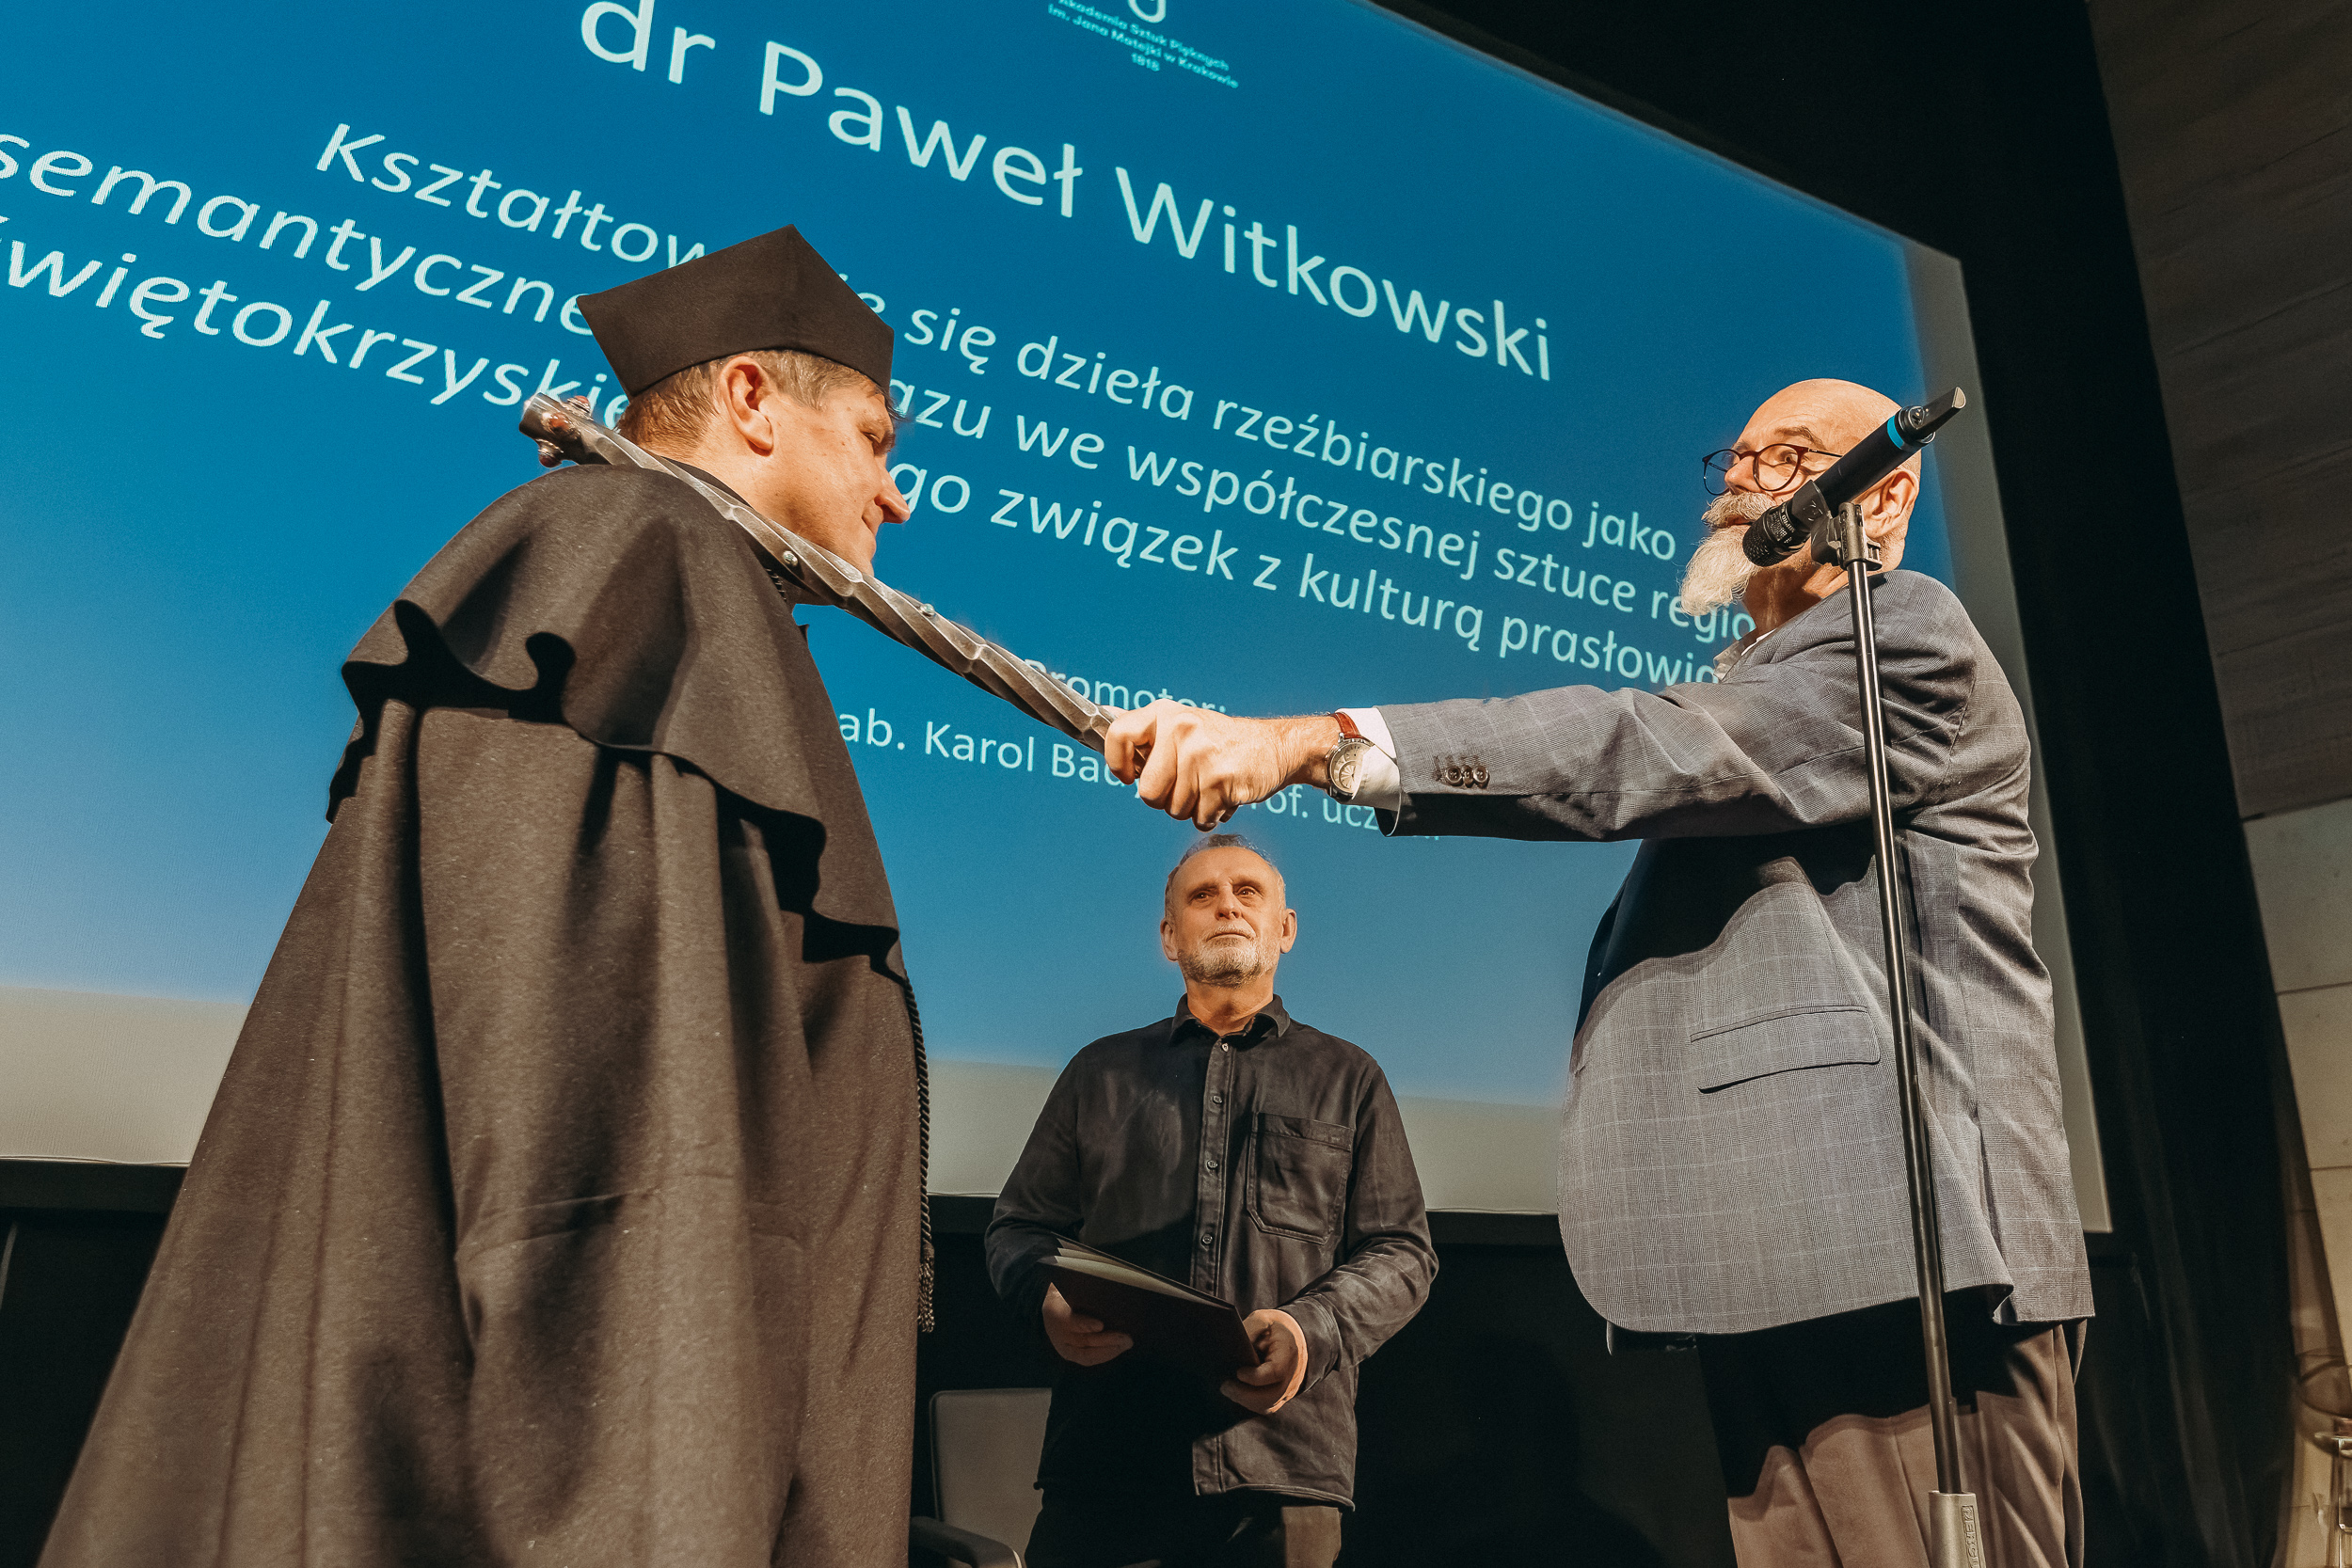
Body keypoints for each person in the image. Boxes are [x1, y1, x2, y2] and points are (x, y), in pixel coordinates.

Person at [41, 227, 931, 1568]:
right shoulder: (638, 572)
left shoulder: (661, 581)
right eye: (874, 439)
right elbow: (604, 1193)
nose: (894, 496)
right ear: (752, 399)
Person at [1099, 381, 2095, 1566]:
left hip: (1921, 1256)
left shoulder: (1905, 635)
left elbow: (1650, 742)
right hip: (1807, 1254)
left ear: (1880, 497)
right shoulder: (1773, 674)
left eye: (1789, 458)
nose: (1743, 481)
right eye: (1738, 456)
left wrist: (1316, 742)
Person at [987, 835, 1438, 1568]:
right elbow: (1018, 1226)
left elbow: (1404, 1252)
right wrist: (1045, 1298)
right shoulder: (1098, 1072)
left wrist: (1310, 1331)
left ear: (1285, 928)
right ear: (1170, 937)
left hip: (1281, 1473)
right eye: (1202, 895)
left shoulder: (1350, 1078)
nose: (1227, 904)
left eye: (1247, 891)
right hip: (1107, 1466)